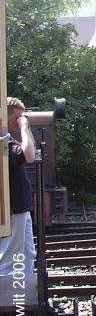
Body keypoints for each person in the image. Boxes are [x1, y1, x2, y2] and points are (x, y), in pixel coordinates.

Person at [0, 97, 36, 304]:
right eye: (17, 116)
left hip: (21, 207)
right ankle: (8, 302)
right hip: (13, 208)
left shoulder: (8, 139)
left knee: (27, 253)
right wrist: (24, 128)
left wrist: (25, 127)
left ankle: (26, 296)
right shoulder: (3, 139)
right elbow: (29, 155)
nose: (20, 120)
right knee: (9, 258)